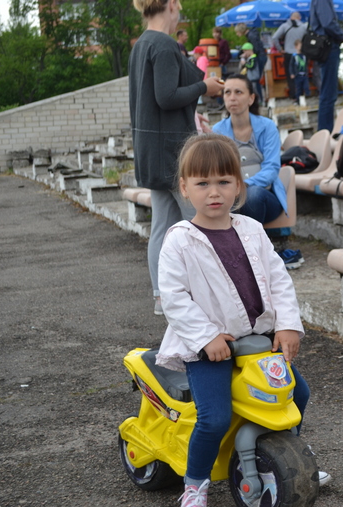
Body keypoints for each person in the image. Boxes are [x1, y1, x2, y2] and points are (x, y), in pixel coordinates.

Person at [158, 133, 328, 507]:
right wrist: (206, 337)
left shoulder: (251, 228)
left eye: (223, 182)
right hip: (210, 348)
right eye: (202, 183)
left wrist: (287, 324)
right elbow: (174, 297)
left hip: (258, 342)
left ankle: (289, 457)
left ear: (239, 184)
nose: (214, 192)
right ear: (185, 188)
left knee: (296, 395)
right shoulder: (180, 240)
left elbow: (279, 278)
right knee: (214, 419)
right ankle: (195, 487)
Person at [128, 0, 224, 315]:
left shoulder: (141, 45)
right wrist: (204, 86)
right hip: (172, 151)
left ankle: (163, 296)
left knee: (162, 226)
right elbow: (166, 97)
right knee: (198, 223)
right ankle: (208, 297)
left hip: (150, 149)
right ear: (170, 5)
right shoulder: (165, 45)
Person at [212, 74, 304, 269]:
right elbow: (216, 171)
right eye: (227, 92)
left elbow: (272, 168)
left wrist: (244, 186)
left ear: (251, 98)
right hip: (232, 197)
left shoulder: (267, 126)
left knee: (252, 195)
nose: (232, 97)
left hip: (265, 198)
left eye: (238, 92)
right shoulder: (217, 131)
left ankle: (252, 256)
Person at [309, 0, 343, 132]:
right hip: (329, 48)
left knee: (328, 92)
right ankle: (325, 133)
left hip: (326, 47)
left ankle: (324, 132)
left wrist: (342, 35)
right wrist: (342, 35)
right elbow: (328, 23)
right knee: (328, 93)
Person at [272, 11, 308, 100]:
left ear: (291, 17)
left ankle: (293, 95)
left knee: (290, 75)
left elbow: (274, 38)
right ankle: (303, 94)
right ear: (299, 18)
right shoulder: (304, 27)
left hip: (288, 54)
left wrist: (280, 49)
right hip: (301, 54)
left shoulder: (285, 26)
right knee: (302, 74)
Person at [235, 22, 268, 102]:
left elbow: (255, 49)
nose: (237, 34)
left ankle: (260, 99)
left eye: (237, 32)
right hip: (262, 56)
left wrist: (247, 57)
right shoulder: (251, 35)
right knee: (256, 80)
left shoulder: (251, 36)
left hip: (260, 57)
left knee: (256, 80)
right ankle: (259, 98)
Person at [291, 39, 309, 104]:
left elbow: (306, 63)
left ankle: (307, 99)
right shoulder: (294, 56)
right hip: (297, 75)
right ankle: (298, 101)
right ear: (296, 47)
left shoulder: (304, 55)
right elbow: (291, 65)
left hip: (304, 74)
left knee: (306, 87)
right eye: (299, 46)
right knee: (298, 89)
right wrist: (292, 73)